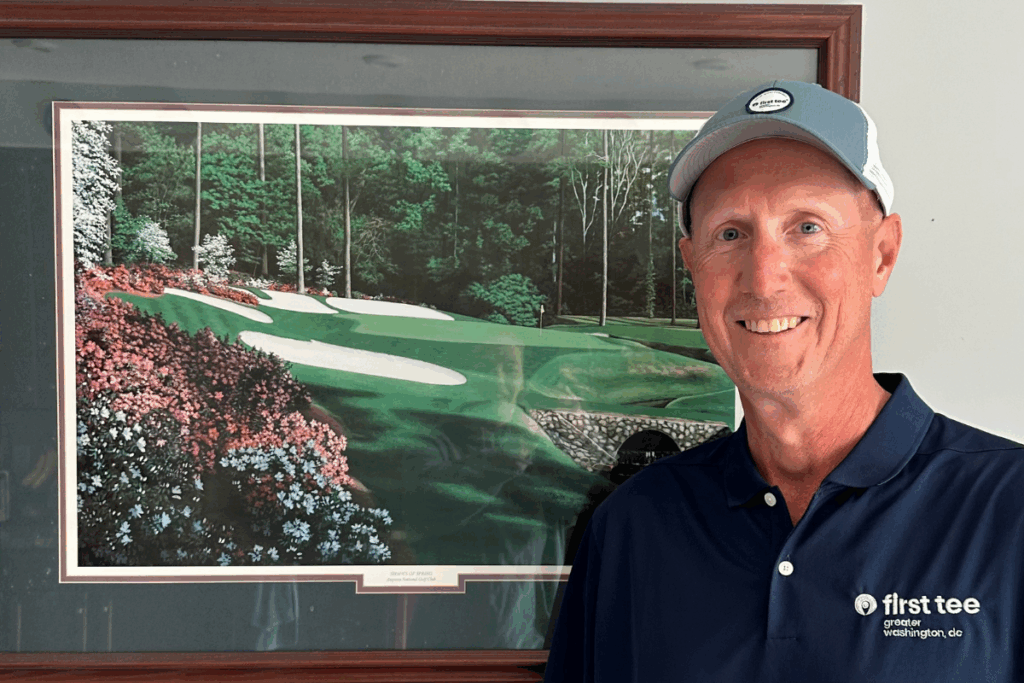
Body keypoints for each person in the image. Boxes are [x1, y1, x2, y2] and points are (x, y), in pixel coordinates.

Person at [543, 80, 1024, 682]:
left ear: (882, 255)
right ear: (693, 268)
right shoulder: (633, 527)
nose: (764, 277)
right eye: (730, 233)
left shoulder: (1008, 507)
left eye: (807, 227)